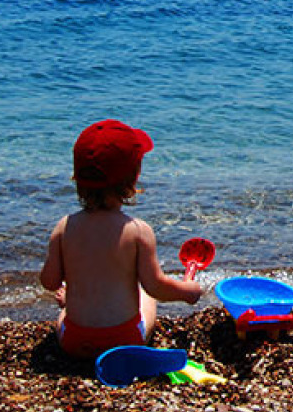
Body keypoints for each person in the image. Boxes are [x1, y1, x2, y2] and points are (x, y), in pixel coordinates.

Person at [39, 119, 203, 359]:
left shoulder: (64, 227)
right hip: (125, 342)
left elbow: (50, 281)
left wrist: (70, 293)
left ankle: (73, 308)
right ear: (134, 177)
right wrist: (188, 291)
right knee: (144, 294)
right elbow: (156, 286)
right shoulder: (138, 231)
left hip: (73, 342)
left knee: (69, 304)